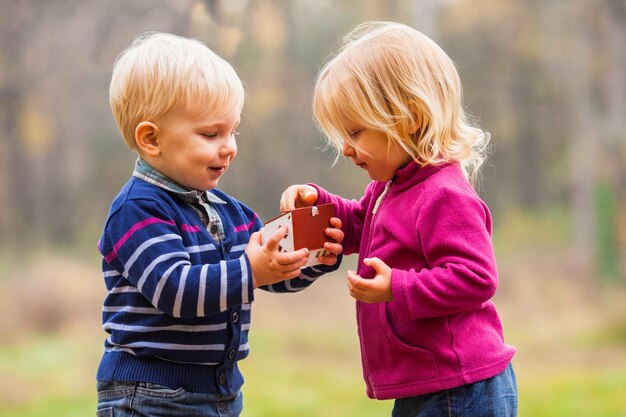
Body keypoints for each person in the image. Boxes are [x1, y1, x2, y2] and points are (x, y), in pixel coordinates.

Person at [96, 32, 343, 417]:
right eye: (211, 134)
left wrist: (312, 256)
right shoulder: (138, 209)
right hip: (150, 393)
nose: (228, 146)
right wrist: (250, 269)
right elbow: (176, 290)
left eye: (233, 131)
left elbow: (269, 273)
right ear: (151, 139)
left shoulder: (229, 210)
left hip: (221, 390)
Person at [280, 21, 517, 417]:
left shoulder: (443, 193)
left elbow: (477, 277)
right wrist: (317, 205)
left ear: (406, 117)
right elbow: (359, 224)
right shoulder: (392, 186)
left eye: (355, 132)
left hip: (458, 387)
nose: (346, 148)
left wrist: (399, 287)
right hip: (429, 383)